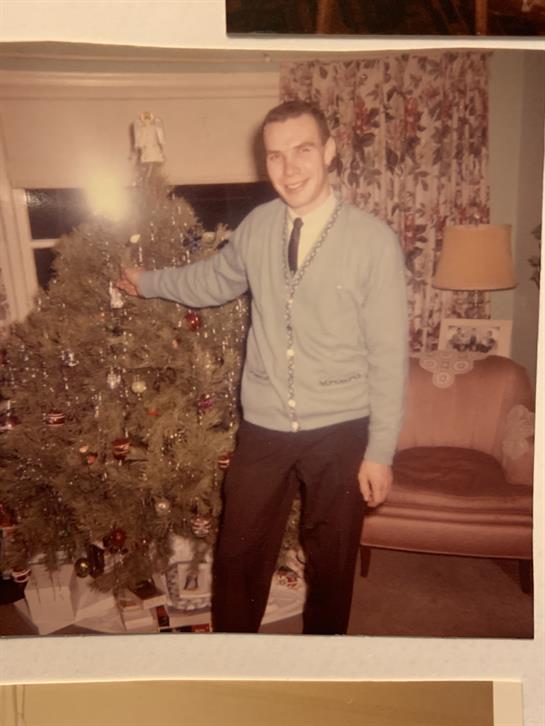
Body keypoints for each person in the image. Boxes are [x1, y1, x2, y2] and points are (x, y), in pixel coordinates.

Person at [117, 100, 408, 635]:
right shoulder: (258, 227)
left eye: (302, 151)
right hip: (265, 426)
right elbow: (212, 280)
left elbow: (389, 355)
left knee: (332, 562)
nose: (289, 169)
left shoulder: (373, 241)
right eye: (275, 156)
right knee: (238, 557)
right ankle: (236, 661)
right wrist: (149, 282)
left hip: (342, 427)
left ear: (329, 151)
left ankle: (322, 661)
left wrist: (380, 452)